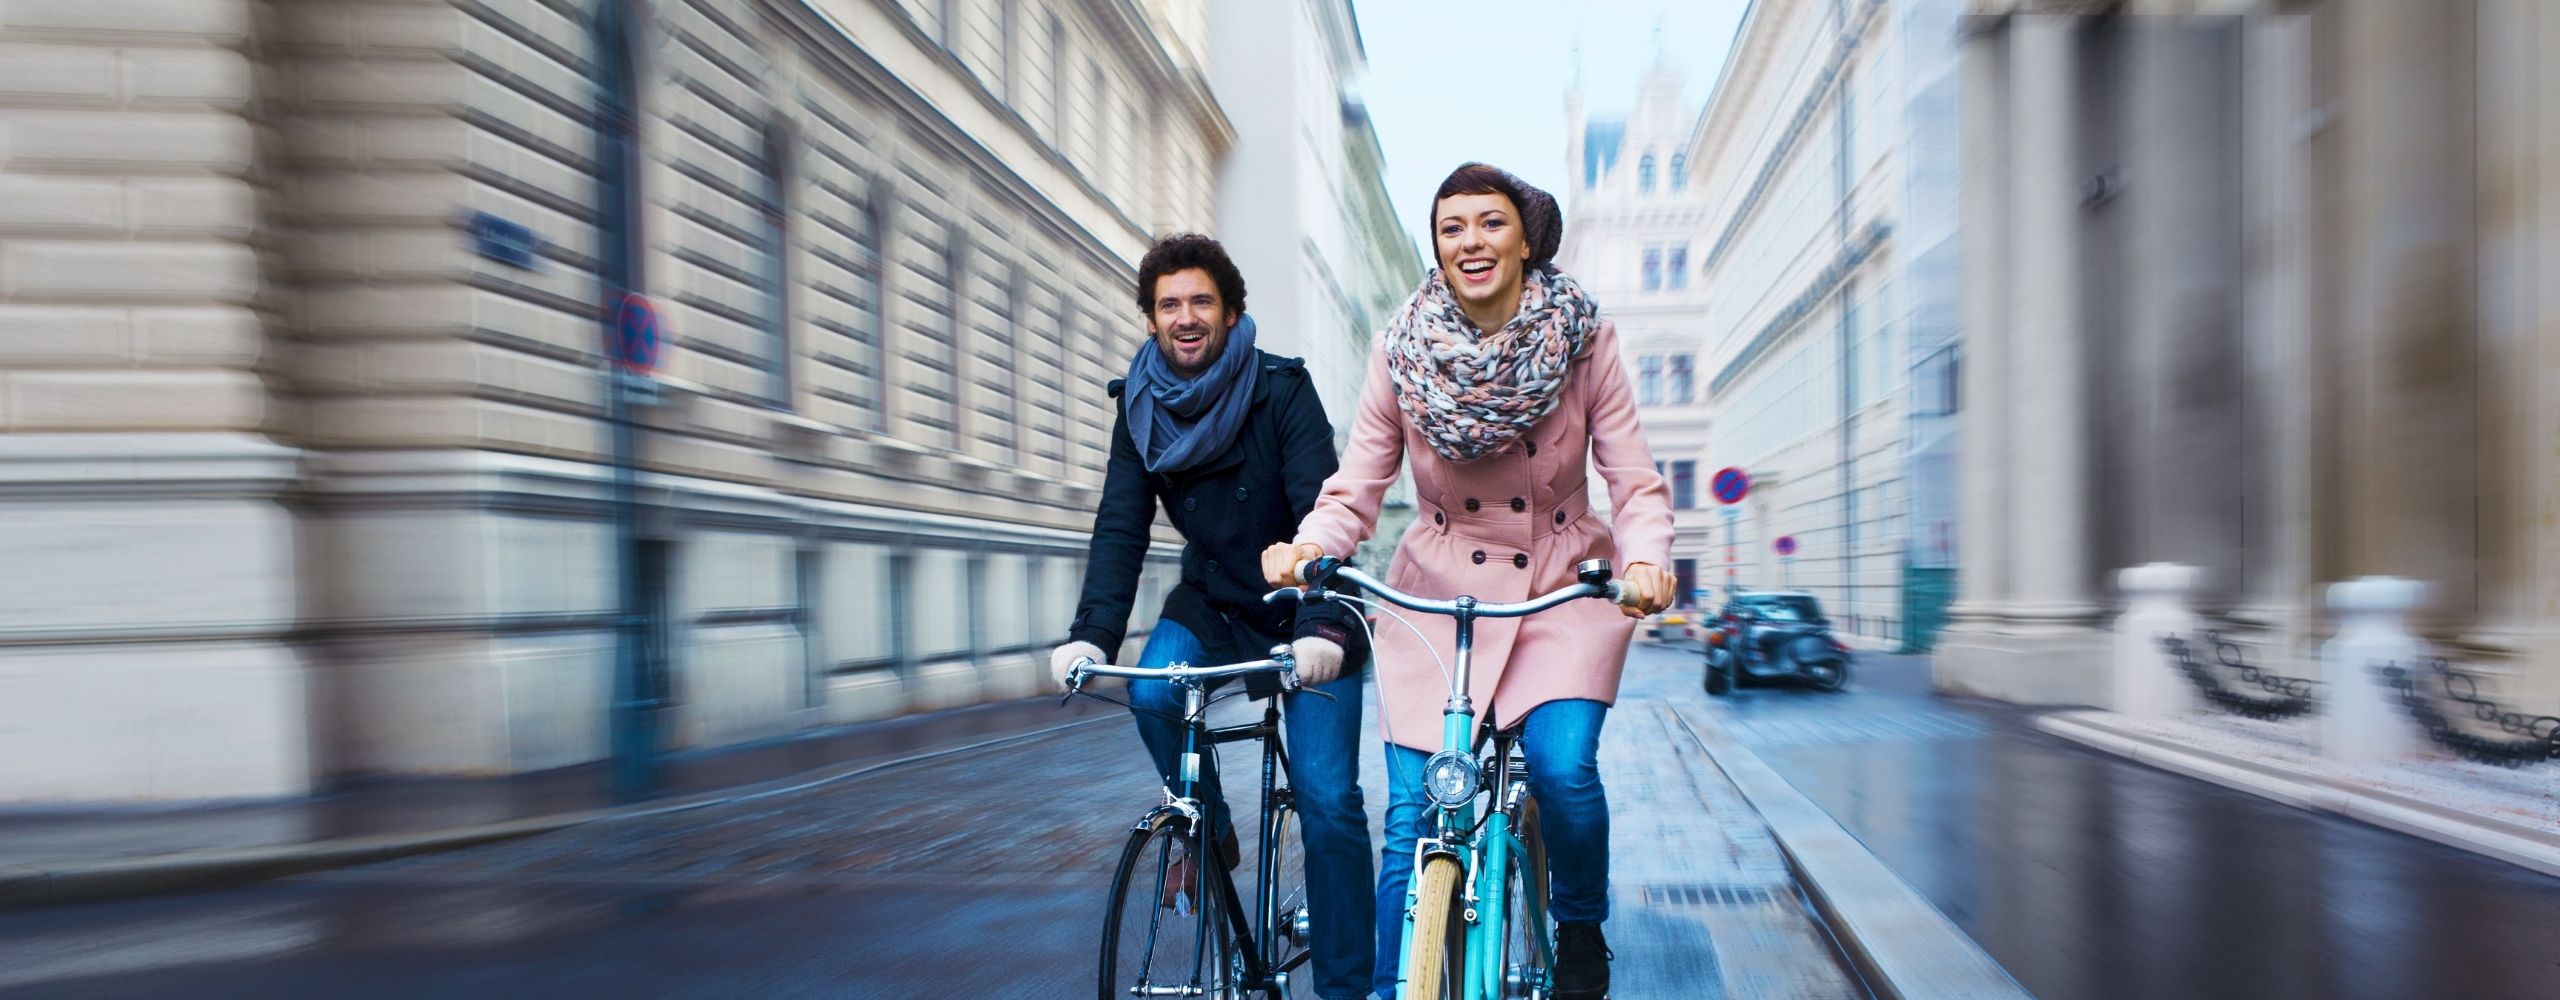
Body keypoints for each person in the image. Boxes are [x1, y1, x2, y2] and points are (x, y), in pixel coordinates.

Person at [1262, 164, 1676, 1000]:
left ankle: (1582, 925)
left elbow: (1632, 477)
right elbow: (1359, 482)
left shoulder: (1583, 338)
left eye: (1489, 224)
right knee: (1411, 816)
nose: (1471, 242)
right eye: (1452, 227)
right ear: (1437, 246)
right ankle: (1395, 987)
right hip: (1439, 597)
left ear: (1526, 238)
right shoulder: (1401, 348)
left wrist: (1645, 560)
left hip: (1560, 587)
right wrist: (1308, 545)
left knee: (1562, 771)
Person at [1051, 233, 1377, 1000]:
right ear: (1151, 318)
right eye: (1169, 305)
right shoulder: (1139, 405)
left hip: (1306, 600)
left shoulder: (1282, 389)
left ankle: (1345, 986)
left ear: (1232, 314)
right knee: (1154, 689)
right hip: (1215, 599)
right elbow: (1121, 525)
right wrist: (1092, 635)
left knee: (1329, 803)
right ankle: (1213, 826)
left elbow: (1322, 510)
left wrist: (1322, 624)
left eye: (1201, 301)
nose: (1185, 317)